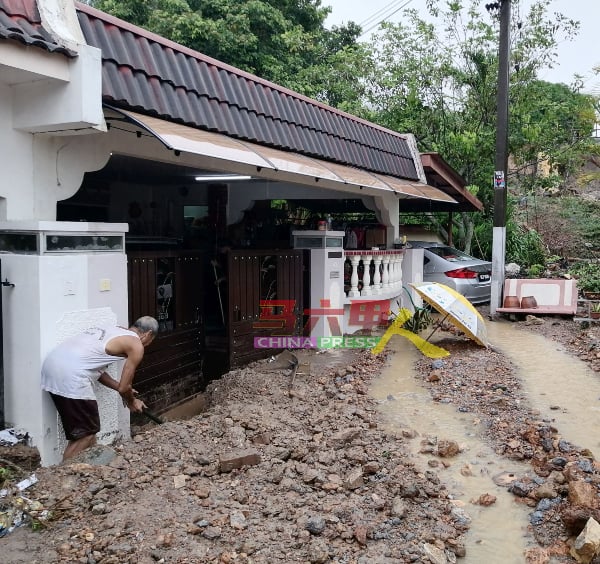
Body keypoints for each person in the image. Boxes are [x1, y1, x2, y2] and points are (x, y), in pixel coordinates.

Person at [41, 316, 159, 461]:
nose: (148, 344)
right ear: (147, 334)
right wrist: (131, 401)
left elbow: (97, 370)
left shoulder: (114, 331)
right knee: (85, 436)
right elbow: (124, 388)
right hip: (71, 376)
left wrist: (120, 388)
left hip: (53, 367)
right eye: (151, 341)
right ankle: (62, 477)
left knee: (87, 431)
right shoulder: (136, 345)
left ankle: (89, 471)